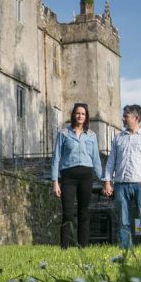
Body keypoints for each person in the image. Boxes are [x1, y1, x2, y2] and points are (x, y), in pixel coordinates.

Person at [103, 104, 141, 250]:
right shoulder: (118, 138)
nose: (123, 119)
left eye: (126, 116)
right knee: (124, 220)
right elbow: (111, 161)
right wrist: (108, 182)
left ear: (136, 118)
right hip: (121, 184)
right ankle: (126, 249)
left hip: (140, 185)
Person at [51, 102, 103, 248]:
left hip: (86, 176)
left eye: (83, 114)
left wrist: (105, 180)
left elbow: (96, 159)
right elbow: (56, 157)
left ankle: (83, 247)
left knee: (84, 213)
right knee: (67, 213)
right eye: (78, 113)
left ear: (86, 117)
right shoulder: (63, 133)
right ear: (73, 115)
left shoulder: (91, 135)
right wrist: (55, 181)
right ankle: (64, 247)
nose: (80, 116)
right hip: (68, 177)